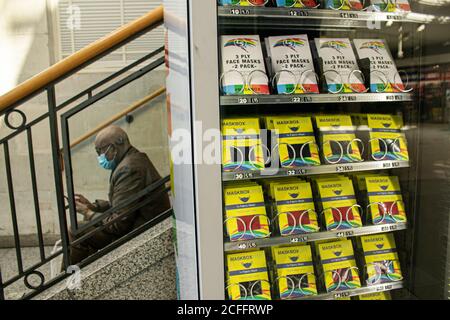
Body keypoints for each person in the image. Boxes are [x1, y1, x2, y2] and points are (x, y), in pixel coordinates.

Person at [67, 125, 171, 266]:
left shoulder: (129, 168)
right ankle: (75, 276)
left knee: (77, 231)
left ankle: (67, 280)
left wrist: (88, 213)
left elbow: (118, 224)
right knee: (81, 232)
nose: (100, 157)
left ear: (114, 148)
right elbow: (122, 205)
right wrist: (92, 206)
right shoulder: (132, 159)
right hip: (135, 223)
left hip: (140, 232)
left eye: (100, 151)